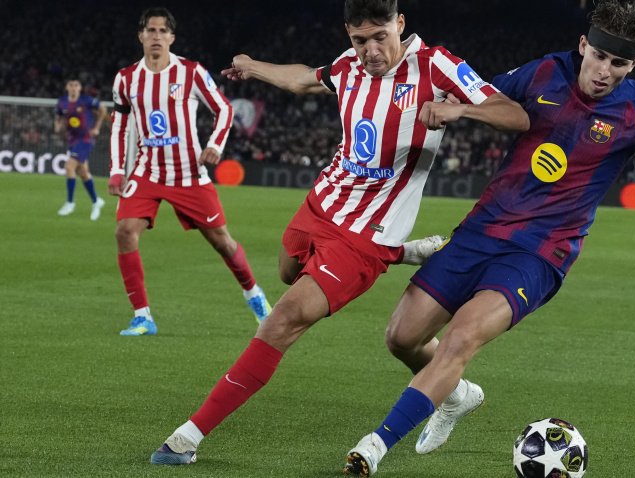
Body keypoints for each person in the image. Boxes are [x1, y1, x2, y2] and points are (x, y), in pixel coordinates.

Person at [342, 0, 635, 475]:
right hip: (480, 230)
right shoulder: (542, 74)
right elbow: (489, 98)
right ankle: (458, 396)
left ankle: (374, 445)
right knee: (402, 337)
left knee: (460, 340)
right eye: (598, 56)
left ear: (632, 65)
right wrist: (460, 110)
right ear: (583, 45)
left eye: (618, 64)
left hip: (540, 253)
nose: (603, 71)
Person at [147, 0, 529, 466]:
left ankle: (188, 437)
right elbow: (304, 77)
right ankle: (404, 257)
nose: (370, 50)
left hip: (364, 234)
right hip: (321, 204)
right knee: (288, 272)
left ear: (400, 24)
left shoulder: (436, 65)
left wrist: (460, 111)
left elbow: (515, 115)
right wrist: (252, 66)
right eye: (359, 40)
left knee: (283, 319)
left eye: (379, 37)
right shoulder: (348, 66)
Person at [109, 7, 273, 336]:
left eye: (162, 31)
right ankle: (143, 317)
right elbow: (119, 125)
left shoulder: (191, 72)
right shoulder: (126, 79)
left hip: (189, 174)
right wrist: (116, 170)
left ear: (171, 37)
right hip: (147, 172)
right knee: (124, 231)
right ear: (141, 35)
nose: (156, 36)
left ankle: (254, 295)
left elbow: (223, 109)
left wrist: (215, 144)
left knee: (223, 243)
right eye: (150, 30)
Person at [55, 78, 108, 220]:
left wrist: (96, 128)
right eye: (71, 85)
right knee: (83, 173)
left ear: (80, 88)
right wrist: (57, 124)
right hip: (72, 139)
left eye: (76, 85)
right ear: (67, 87)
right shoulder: (62, 102)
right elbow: (58, 115)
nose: (73, 87)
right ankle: (96, 201)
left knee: (69, 166)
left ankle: (70, 203)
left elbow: (103, 109)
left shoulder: (86, 100)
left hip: (85, 139)